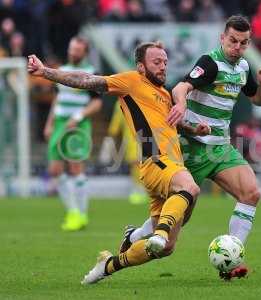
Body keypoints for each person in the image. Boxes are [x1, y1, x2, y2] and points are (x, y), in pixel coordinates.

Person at [28, 41, 209, 284]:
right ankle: (157, 232)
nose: (163, 66)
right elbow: (87, 80)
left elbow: (171, 123)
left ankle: (110, 264)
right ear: (141, 67)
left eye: (165, 62)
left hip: (170, 165)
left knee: (167, 248)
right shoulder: (131, 81)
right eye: (156, 62)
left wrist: (193, 128)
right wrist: (46, 72)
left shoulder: (165, 94)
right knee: (190, 189)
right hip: (156, 160)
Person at [119, 15, 261, 279]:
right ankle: (135, 235)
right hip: (192, 148)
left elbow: (258, 101)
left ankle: (232, 259)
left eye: (243, 43)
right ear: (222, 38)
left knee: (251, 194)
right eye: (233, 41)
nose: (237, 47)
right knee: (175, 225)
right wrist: (180, 104)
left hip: (220, 148)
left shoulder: (243, 68)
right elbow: (181, 87)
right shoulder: (210, 63)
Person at [42, 36, 102, 231]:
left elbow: (97, 103)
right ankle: (73, 211)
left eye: (77, 50)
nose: (73, 52)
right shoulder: (60, 71)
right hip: (60, 123)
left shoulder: (92, 73)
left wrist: (78, 116)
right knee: (54, 170)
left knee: (76, 168)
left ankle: (81, 214)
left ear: (84, 52)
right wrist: (49, 123)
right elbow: (57, 98)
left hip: (78, 126)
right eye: (71, 48)